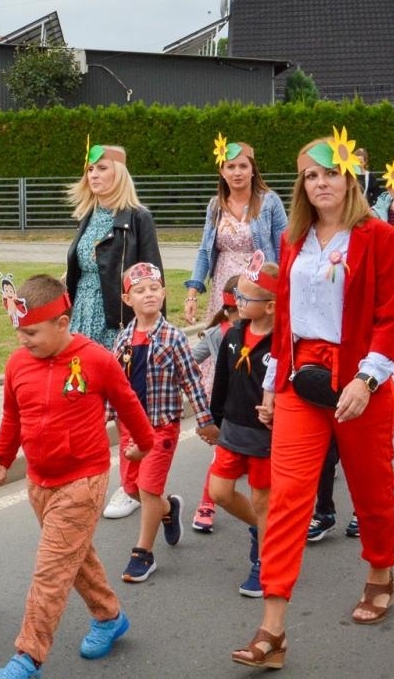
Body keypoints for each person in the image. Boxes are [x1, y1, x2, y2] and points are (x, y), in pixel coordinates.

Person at [231, 129, 394, 668]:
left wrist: (366, 380)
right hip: (301, 382)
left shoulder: (377, 236)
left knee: (371, 490)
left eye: (330, 172)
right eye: (311, 174)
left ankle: (379, 572)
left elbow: (390, 317)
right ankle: (273, 630)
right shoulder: (293, 240)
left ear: (349, 177)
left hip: (360, 381)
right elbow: (284, 323)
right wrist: (270, 386)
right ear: (301, 184)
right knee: (287, 499)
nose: (321, 182)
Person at [0, 274, 155, 679]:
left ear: (62, 322)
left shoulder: (96, 359)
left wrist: (144, 443)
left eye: (32, 332)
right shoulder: (17, 363)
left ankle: (29, 657)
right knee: (75, 558)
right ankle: (110, 617)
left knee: (51, 570)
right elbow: (12, 417)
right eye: (19, 332)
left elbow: (128, 404)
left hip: (83, 479)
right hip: (39, 482)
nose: (23, 340)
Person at [108, 263, 217, 584]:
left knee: (147, 487)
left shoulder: (173, 338)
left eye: (154, 288)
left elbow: (192, 383)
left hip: (160, 427)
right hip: (130, 429)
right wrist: (100, 418)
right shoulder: (124, 338)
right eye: (140, 291)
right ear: (128, 300)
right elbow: (114, 384)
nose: (149, 295)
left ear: (164, 293)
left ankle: (143, 553)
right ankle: (169, 509)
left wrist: (205, 421)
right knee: (131, 488)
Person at [207, 256, 278, 597]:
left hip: (265, 436)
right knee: (220, 492)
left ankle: (264, 563)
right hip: (232, 431)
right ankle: (260, 529)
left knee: (263, 500)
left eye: (246, 298)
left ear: (270, 306)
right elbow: (221, 380)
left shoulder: (283, 344)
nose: (238, 302)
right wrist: (213, 419)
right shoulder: (234, 334)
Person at [182, 136, 287, 328]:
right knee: (225, 337)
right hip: (224, 284)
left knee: (255, 338)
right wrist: (192, 295)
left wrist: (282, 287)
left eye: (243, 166)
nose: (237, 172)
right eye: (231, 167)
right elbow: (204, 252)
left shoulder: (270, 202)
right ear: (222, 172)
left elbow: (284, 248)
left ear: (253, 170)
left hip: (258, 286)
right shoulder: (215, 206)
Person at [64, 144, 162, 345]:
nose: (93, 175)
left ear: (118, 174)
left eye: (102, 168)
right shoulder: (86, 216)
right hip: (81, 312)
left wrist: (156, 331)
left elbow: (155, 276)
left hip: (116, 319)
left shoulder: (138, 217)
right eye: (90, 170)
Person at [187, 277, 241, 533]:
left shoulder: (265, 331)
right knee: (220, 457)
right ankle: (206, 504)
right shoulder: (215, 334)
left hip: (257, 405)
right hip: (225, 405)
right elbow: (190, 361)